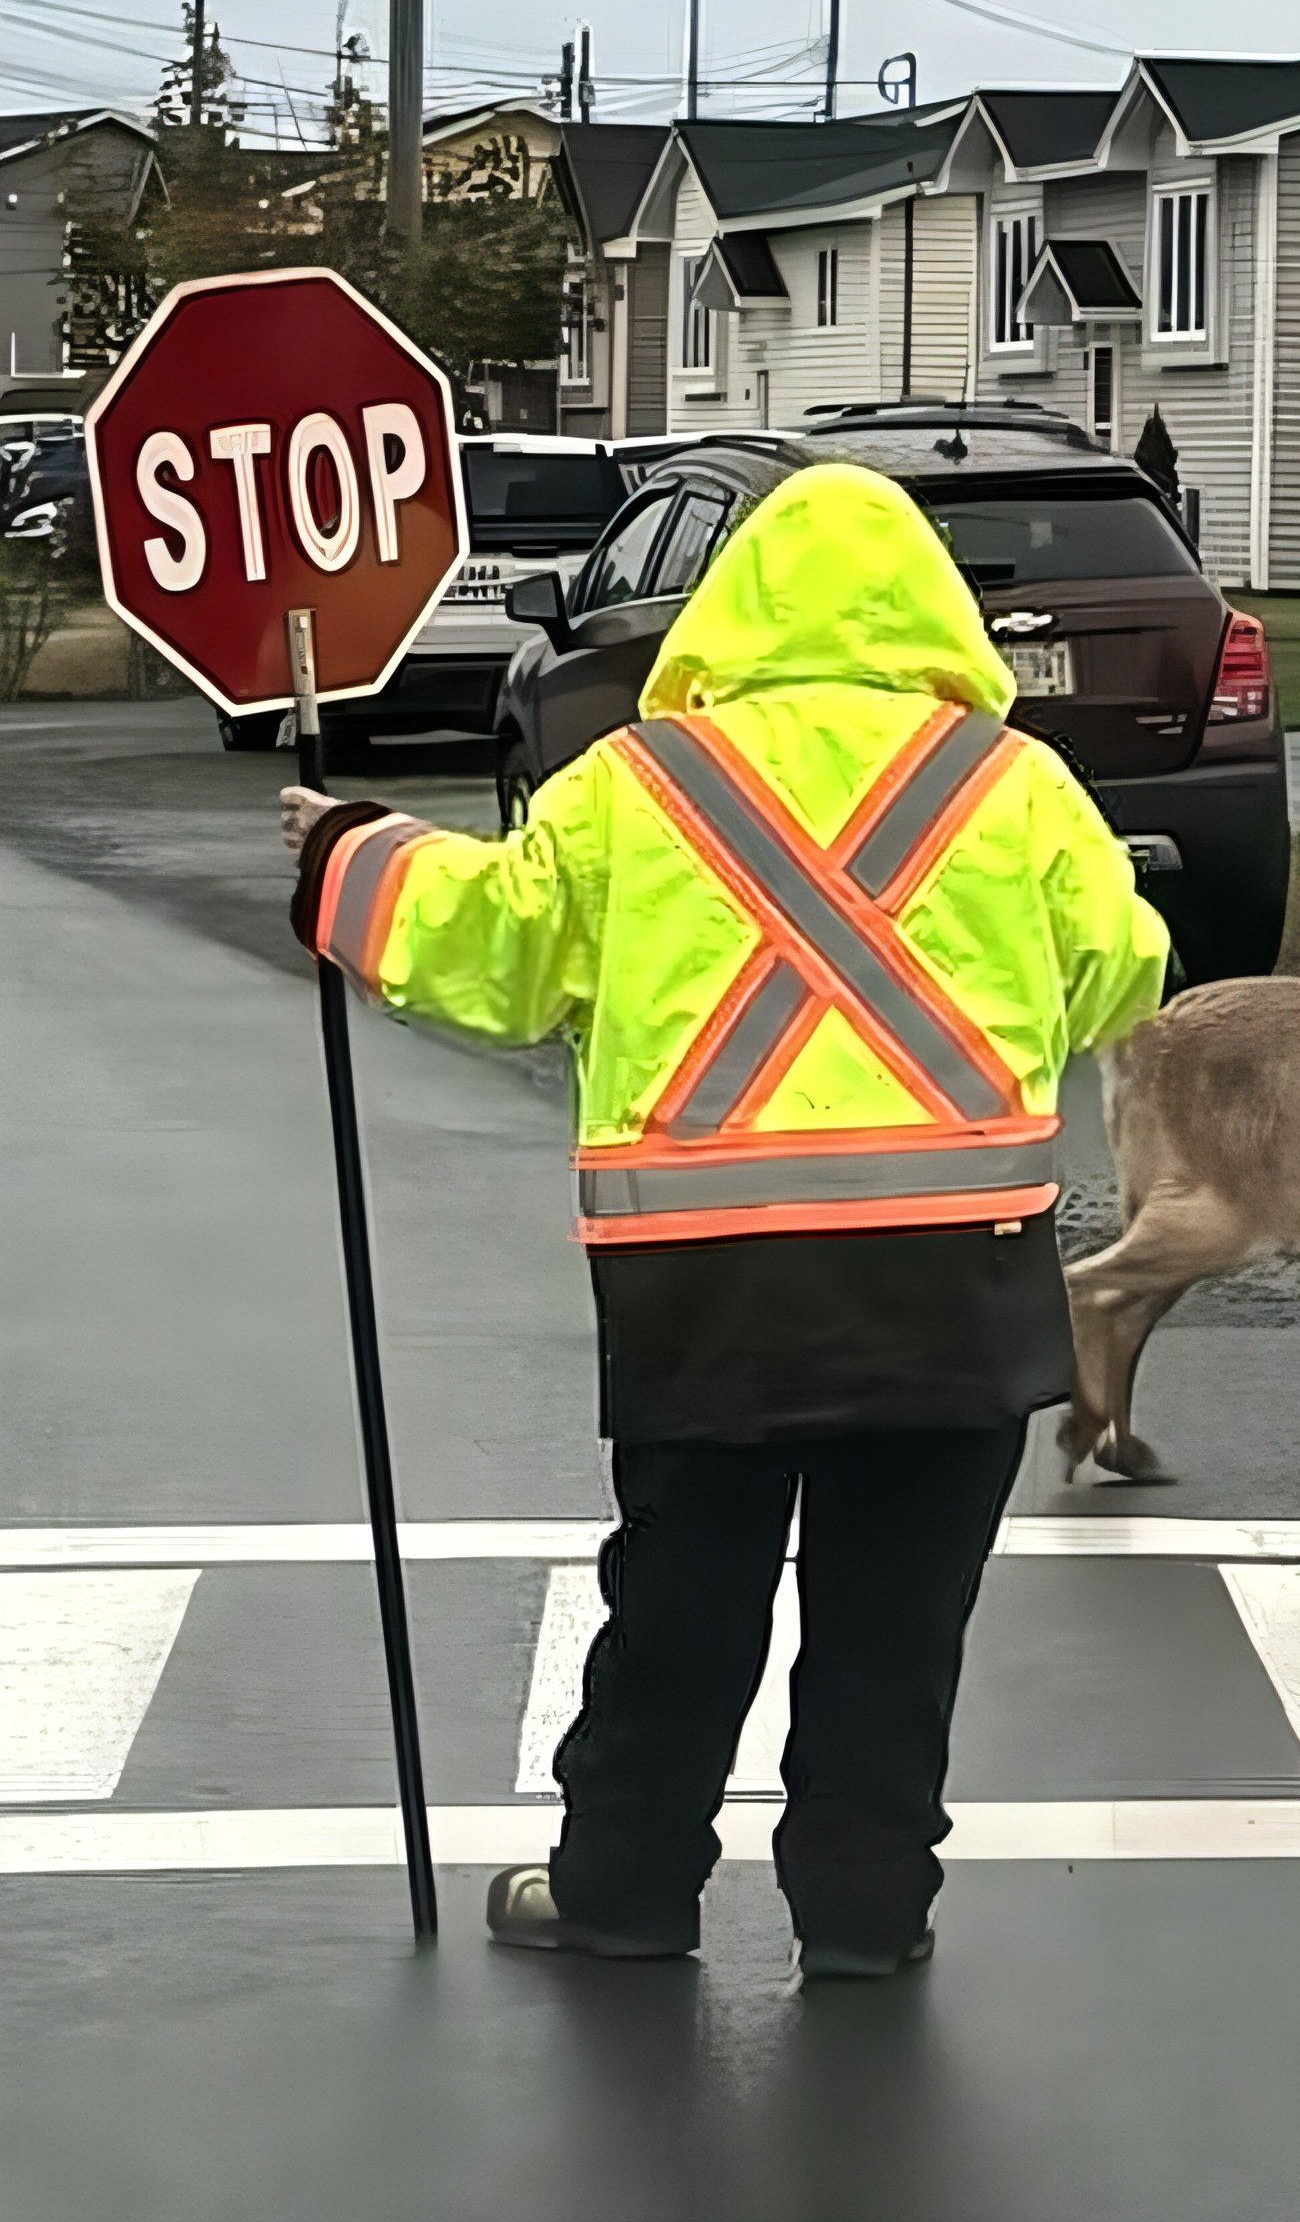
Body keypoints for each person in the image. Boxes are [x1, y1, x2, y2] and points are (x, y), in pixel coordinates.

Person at [283, 462, 1168, 1981]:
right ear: (936, 616)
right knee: (899, 1626)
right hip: (959, 1289)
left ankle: (624, 1889)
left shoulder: (643, 783)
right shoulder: (1008, 787)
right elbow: (1116, 973)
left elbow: (495, 951)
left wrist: (345, 856)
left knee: (684, 1601)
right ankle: (867, 1916)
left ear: (732, 609)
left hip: (709, 1288)